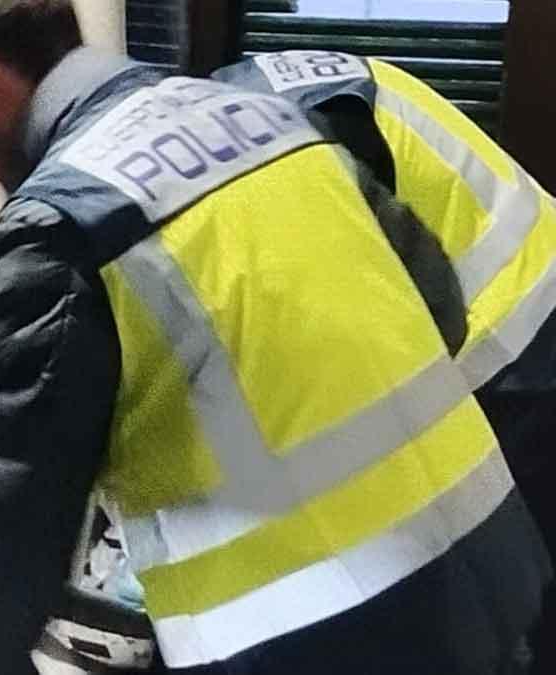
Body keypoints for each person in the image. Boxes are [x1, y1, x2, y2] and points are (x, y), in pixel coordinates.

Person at [0, 2, 552, 674]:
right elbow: (437, 305)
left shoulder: (59, 229)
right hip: (494, 563)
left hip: (321, 634)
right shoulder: (268, 118)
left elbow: (6, 543)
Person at [214, 52, 556, 666]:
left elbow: (402, 316)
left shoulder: (269, 150)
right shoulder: (256, 95)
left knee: (504, 597)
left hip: (516, 346)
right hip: (530, 299)